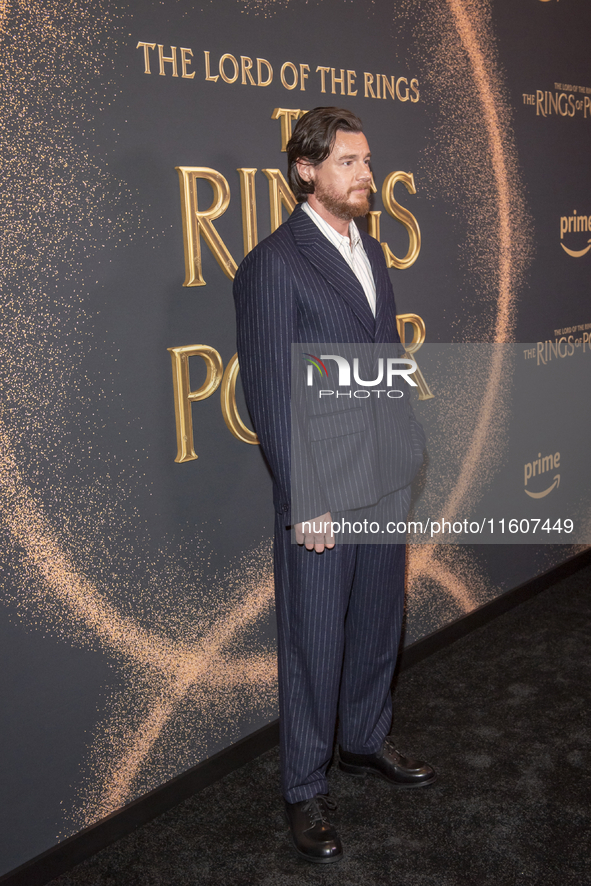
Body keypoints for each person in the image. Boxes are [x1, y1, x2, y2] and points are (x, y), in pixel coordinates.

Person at [233, 107, 435, 864]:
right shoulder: (272, 265)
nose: (364, 174)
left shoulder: (371, 248)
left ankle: (364, 739)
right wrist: (306, 495)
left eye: (366, 161)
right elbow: (272, 394)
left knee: (380, 617)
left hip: (385, 472)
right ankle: (304, 787)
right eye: (348, 161)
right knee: (314, 639)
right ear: (306, 171)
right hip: (325, 487)